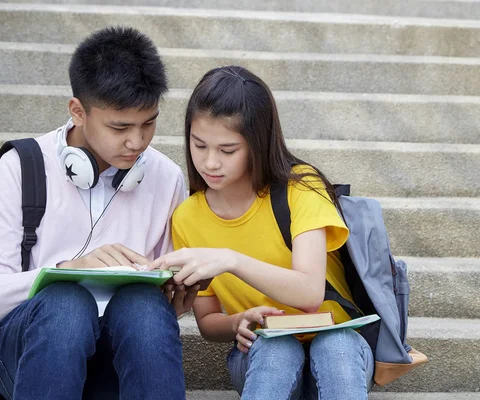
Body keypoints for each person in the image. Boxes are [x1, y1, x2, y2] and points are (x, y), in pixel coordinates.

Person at [0, 27, 197, 400]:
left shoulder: (165, 177)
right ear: (78, 111)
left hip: (114, 360)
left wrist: (175, 299)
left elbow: (157, 307)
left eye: (149, 123)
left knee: (144, 307)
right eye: (120, 127)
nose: (137, 142)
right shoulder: (22, 166)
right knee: (66, 304)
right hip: (26, 351)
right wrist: (65, 271)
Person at [149, 66, 374, 400]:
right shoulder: (187, 218)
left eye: (227, 150)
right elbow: (209, 321)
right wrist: (239, 320)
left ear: (257, 143)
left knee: (336, 344)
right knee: (275, 345)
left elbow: (310, 292)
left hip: (340, 354)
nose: (210, 163)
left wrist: (230, 260)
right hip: (264, 359)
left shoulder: (301, 187)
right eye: (199, 146)